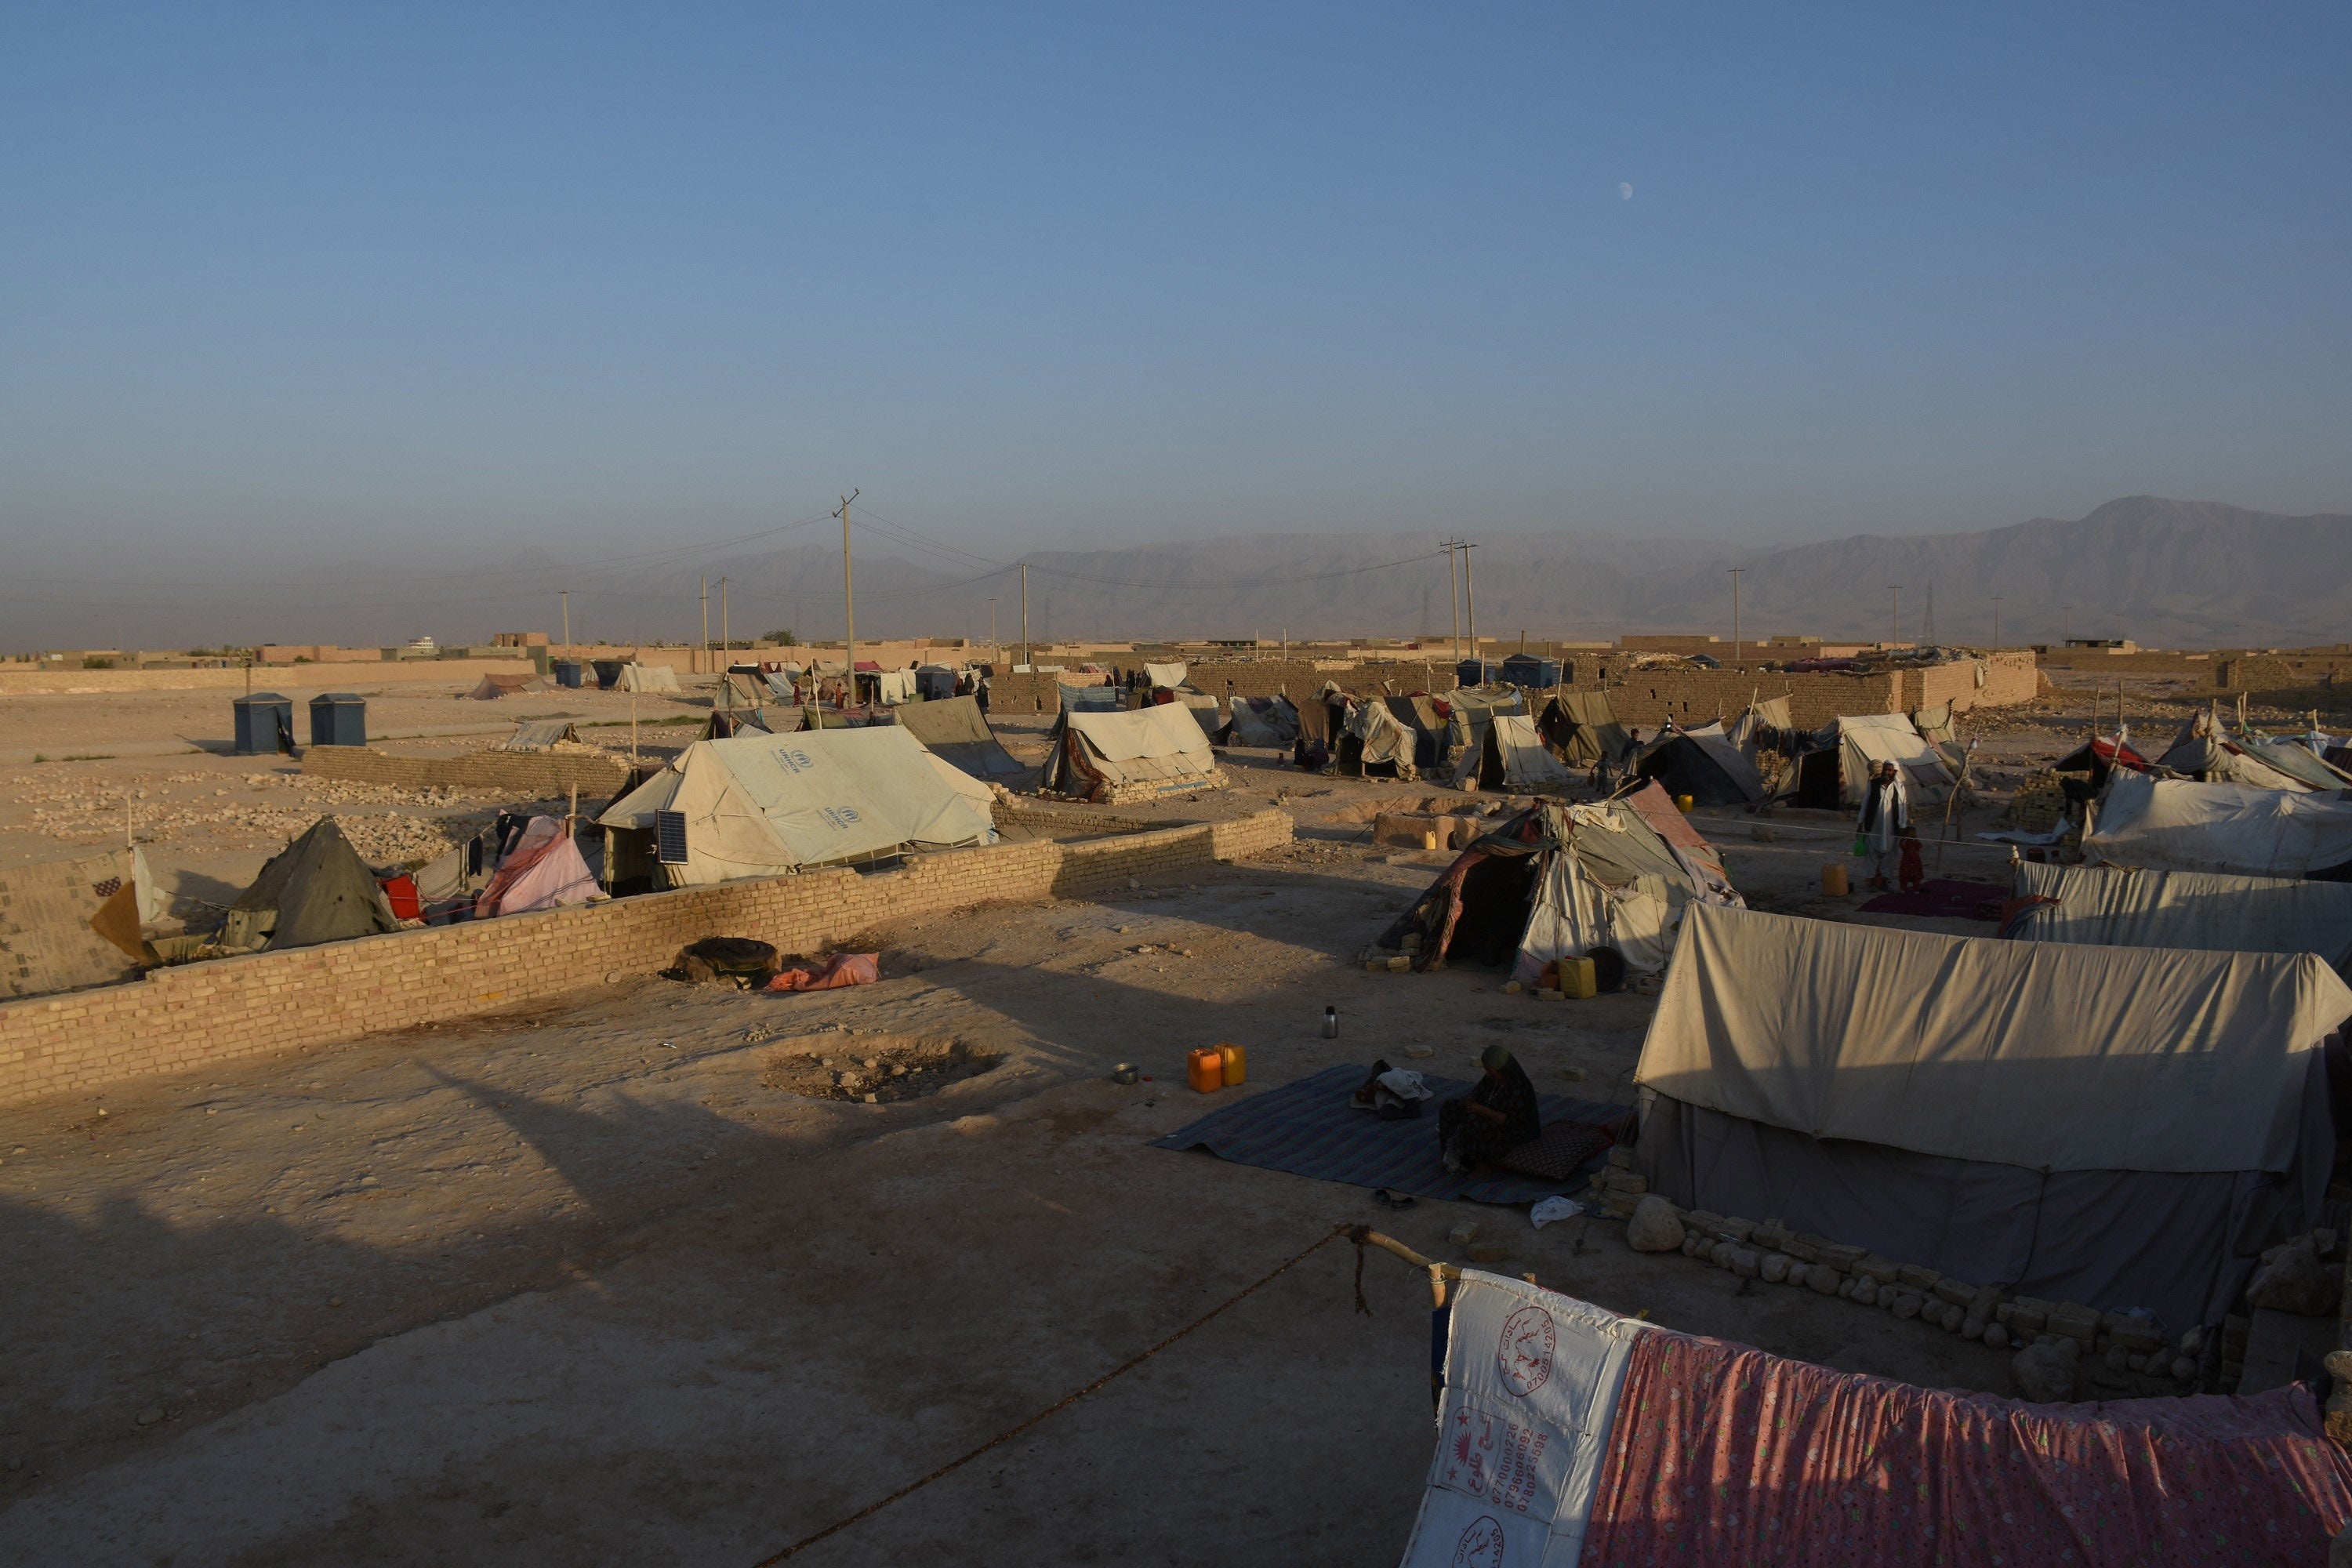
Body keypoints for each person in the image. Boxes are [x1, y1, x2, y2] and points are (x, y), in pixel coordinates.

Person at [1439, 1044, 1541, 1175]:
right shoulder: (1492, 1077)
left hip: (1509, 1131)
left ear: (1502, 1069)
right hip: (1485, 1114)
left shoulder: (1519, 1086)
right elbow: (1478, 1091)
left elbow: (1509, 1120)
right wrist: (1470, 1099)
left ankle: (1481, 1164)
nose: (1487, 1073)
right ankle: (1449, 1154)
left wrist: (1482, 1110)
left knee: (1476, 1121)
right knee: (1450, 1107)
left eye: (1490, 1070)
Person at [1857, 760, 1910, 891]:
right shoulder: (1873, 784)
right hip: (1874, 825)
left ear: (1895, 772)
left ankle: (1885, 882)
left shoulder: (1899, 787)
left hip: (1891, 826)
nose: (1886, 772)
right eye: (1885, 769)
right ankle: (1871, 882)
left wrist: (1903, 826)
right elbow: (1865, 803)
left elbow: (1903, 806)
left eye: (1889, 770)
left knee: (1890, 856)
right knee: (1871, 854)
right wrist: (1860, 824)